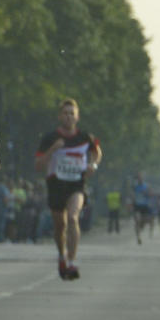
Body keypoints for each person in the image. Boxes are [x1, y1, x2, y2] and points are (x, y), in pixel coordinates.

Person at [35, 98, 102, 279]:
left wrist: (92, 165)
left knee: (73, 218)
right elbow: (39, 165)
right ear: (59, 116)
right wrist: (53, 150)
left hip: (76, 185)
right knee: (60, 226)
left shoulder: (85, 137)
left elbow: (97, 151)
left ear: (77, 117)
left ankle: (71, 262)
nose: (68, 116)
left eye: (72, 113)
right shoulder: (50, 138)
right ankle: (61, 255)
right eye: (65, 113)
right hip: (56, 186)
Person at [131, 171, 156, 243]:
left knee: (144, 222)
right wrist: (132, 202)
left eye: (141, 177)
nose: (139, 179)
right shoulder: (134, 186)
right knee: (137, 220)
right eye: (138, 178)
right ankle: (138, 237)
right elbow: (132, 195)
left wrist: (147, 193)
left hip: (145, 206)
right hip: (137, 206)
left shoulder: (147, 186)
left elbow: (151, 194)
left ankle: (143, 228)